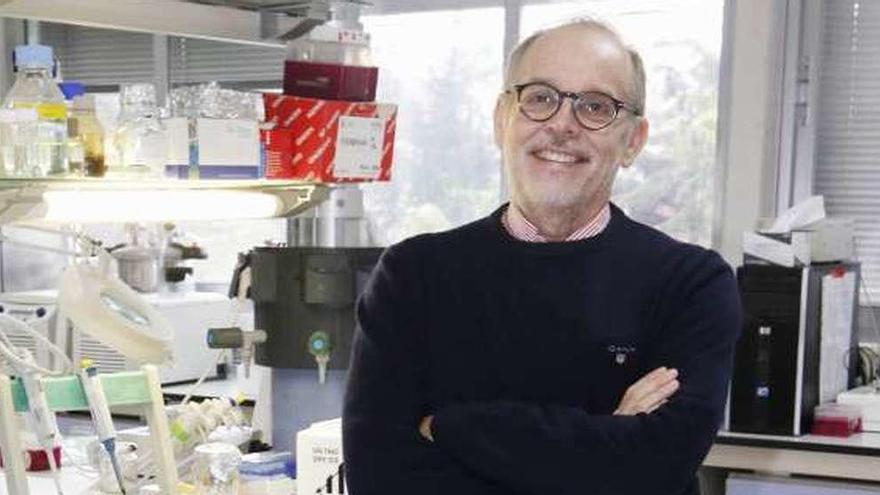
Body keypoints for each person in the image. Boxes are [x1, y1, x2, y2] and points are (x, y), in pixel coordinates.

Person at [343, 18, 741, 495]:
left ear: (632, 140)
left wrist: (454, 427)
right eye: (539, 98)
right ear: (501, 121)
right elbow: (380, 477)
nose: (562, 125)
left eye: (596, 106)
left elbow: (656, 466)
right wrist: (606, 439)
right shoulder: (412, 276)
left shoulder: (691, 283)